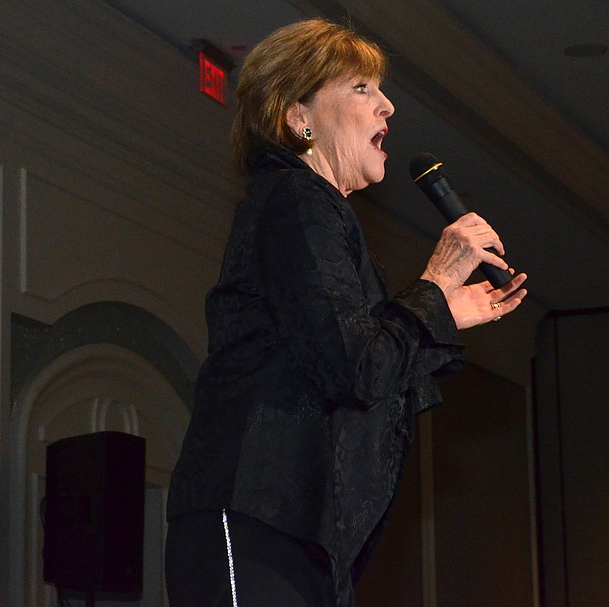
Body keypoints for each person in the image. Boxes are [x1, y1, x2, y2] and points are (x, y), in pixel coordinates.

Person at [165, 18, 527, 607]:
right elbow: (353, 366)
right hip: (258, 517)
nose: (387, 106)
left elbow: (364, 367)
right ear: (297, 116)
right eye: (361, 89)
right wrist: (435, 285)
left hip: (303, 531)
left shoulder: (315, 213)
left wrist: (447, 313)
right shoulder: (296, 200)